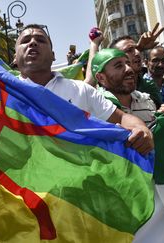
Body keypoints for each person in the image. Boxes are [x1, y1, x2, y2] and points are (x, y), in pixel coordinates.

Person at [13, 24, 154, 154]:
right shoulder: (2, 92)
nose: (33, 43)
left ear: (53, 55)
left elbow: (122, 117)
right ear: (14, 57)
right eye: (25, 40)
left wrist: (140, 129)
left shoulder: (81, 90)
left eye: (41, 40)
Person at [91, 49, 156, 126]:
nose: (129, 69)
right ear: (101, 78)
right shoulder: (95, 108)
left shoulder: (145, 99)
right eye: (119, 66)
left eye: (128, 64)